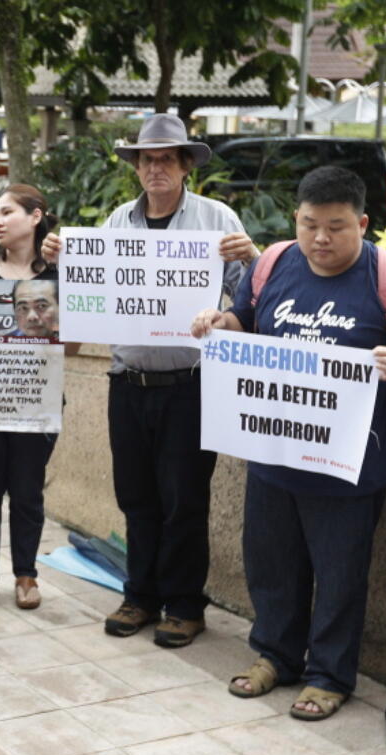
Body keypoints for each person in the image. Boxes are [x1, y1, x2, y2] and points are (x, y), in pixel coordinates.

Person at [192, 166, 386, 721]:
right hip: (273, 455)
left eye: (336, 227)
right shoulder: (273, 264)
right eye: (310, 224)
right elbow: (244, 317)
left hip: (348, 466)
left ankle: (330, 676)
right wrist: (220, 323)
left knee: (340, 576)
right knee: (271, 566)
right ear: (296, 220)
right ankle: (274, 657)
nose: (321, 239)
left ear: (362, 222)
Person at [43, 113, 257, 648]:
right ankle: (139, 595)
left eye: (166, 158)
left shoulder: (216, 220)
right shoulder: (116, 223)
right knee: (136, 497)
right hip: (128, 383)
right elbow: (90, 297)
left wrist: (252, 257)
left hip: (190, 384)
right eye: (147, 159)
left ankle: (185, 605)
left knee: (185, 499)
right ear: (136, 167)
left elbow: (254, 298)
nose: (155, 167)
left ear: (186, 165)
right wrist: (60, 263)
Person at [0, 184, 68, 609]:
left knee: (28, 492)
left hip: (37, 401)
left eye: (7, 212)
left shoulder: (58, 275)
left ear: (36, 217)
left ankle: (26, 574)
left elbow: (73, 345)